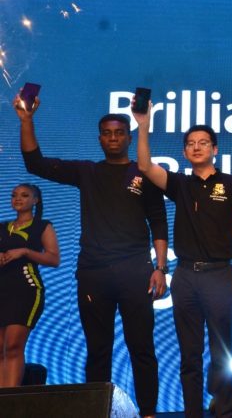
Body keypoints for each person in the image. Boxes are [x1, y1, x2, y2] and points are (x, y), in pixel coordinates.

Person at [14, 95, 168, 418]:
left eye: (119, 133)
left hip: (136, 272)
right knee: (98, 350)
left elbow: (158, 220)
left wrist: (160, 267)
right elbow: (35, 163)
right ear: (99, 139)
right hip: (94, 273)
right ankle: (98, 413)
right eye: (107, 133)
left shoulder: (144, 173)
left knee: (142, 348)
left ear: (128, 138)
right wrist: (27, 120)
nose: (113, 138)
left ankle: (149, 413)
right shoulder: (87, 172)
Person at [133, 102, 232, 418]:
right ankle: (192, 413)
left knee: (221, 352)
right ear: (185, 152)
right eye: (190, 143)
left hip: (219, 275)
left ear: (215, 149)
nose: (197, 147)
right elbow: (145, 165)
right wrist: (143, 124)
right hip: (186, 276)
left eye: (203, 142)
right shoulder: (180, 184)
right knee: (190, 354)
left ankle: (223, 410)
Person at [0, 184, 60, 387]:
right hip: (2, 289)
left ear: (35, 200)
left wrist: (24, 252)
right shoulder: (2, 227)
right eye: (14, 195)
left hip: (26, 290)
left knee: (13, 346)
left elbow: (53, 259)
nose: (18, 198)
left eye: (24, 195)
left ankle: (9, 398)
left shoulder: (42, 226)